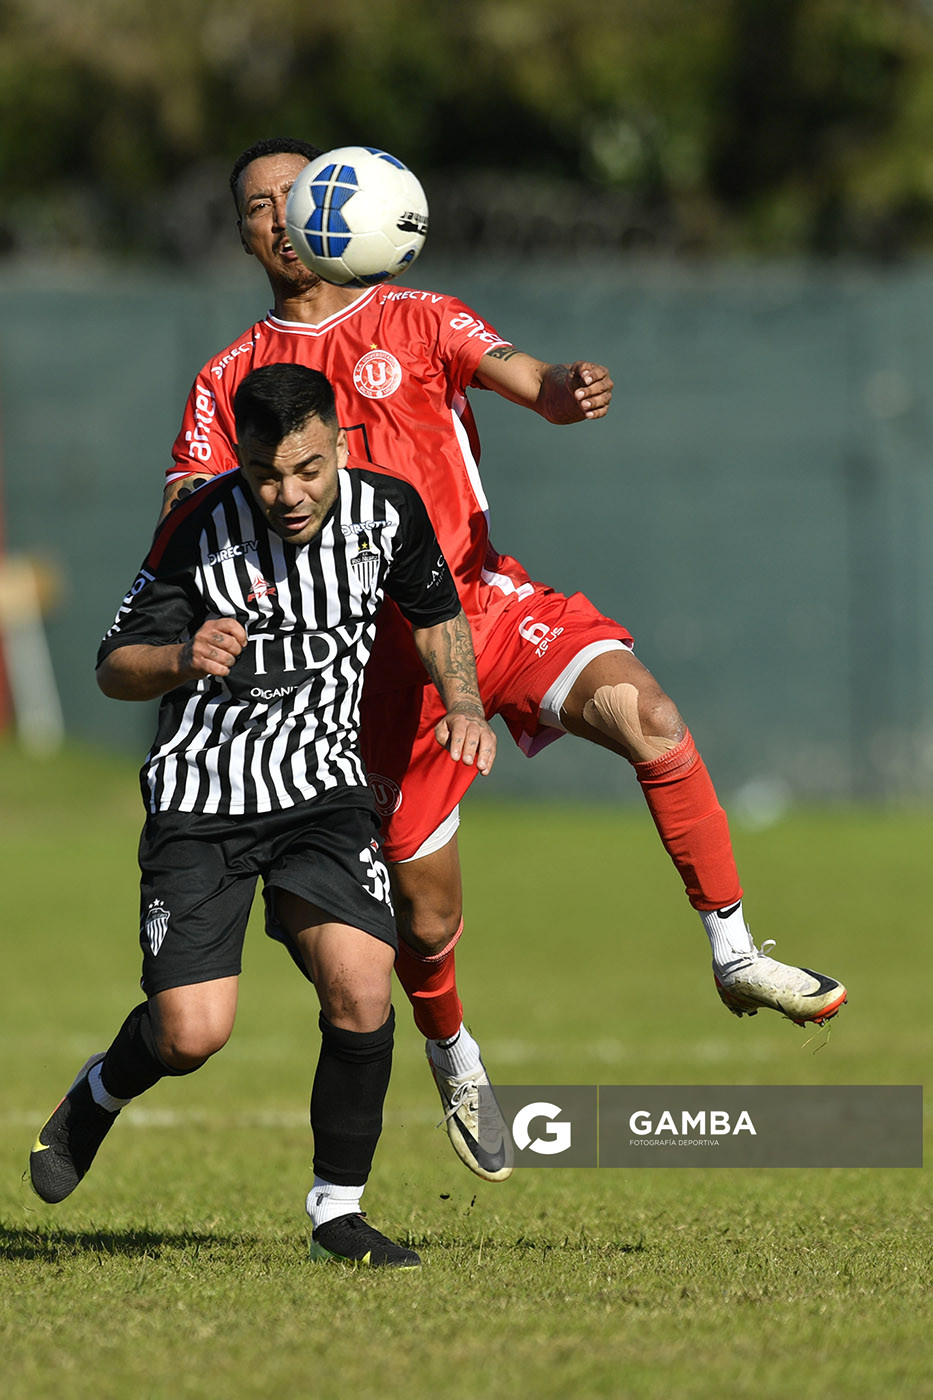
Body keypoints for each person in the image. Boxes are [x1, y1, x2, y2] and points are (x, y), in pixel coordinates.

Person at [163, 137, 847, 1180]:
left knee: (648, 716)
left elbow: (524, 376)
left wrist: (562, 388)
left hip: (484, 607)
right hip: (362, 672)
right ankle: (453, 1049)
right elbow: (190, 501)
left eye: (303, 192)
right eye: (263, 204)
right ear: (250, 231)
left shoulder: (422, 315)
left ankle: (736, 949)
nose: (288, 213)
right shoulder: (230, 375)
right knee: (424, 918)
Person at [30, 364, 497, 1268]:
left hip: (323, 792)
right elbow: (111, 666)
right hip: (203, 801)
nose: (288, 494)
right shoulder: (199, 527)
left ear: (339, 445)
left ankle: (337, 1212)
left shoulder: (388, 513)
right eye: (266, 474)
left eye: (308, 470)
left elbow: (437, 615)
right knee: (190, 1033)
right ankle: (98, 1093)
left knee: (363, 987)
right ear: (240, 462)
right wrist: (179, 655)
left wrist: (465, 703)